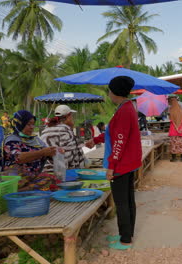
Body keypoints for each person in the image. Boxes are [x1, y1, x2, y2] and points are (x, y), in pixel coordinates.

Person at [85, 76, 142, 250]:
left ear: (115, 92)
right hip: (128, 162)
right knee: (128, 200)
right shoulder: (126, 107)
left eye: (109, 90)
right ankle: (127, 234)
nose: (108, 93)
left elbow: (119, 141)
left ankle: (125, 240)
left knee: (122, 202)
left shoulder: (124, 110)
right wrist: (95, 140)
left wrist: (111, 166)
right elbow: (113, 133)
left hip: (122, 164)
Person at [3, 110, 60, 191]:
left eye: (33, 124)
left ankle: (24, 190)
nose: (32, 127)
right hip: (16, 177)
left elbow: (46, 153)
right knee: (16, 171)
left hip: (32, 177)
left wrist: (53, 152)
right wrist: (42, 152)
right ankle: (19, 191)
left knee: (52, 179)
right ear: (20, 124)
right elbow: (18, 158)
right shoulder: (11, 140)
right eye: (28, 124)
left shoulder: (35, 140)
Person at [40, 105, 85, 172]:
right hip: (62, 172)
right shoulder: (65, 130)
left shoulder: (46, 129)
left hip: (46, 169)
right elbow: (70, 156)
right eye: (71, 116)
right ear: (68, 116)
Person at [168, 96, 182, 162]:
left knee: (173, 144)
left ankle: (174, 158)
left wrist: (176, 128)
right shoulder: (181, 111)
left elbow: (172, 121)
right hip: (180, 131)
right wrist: (180, 128)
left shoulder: (171, 111)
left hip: (173, 131)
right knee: (181, 143)